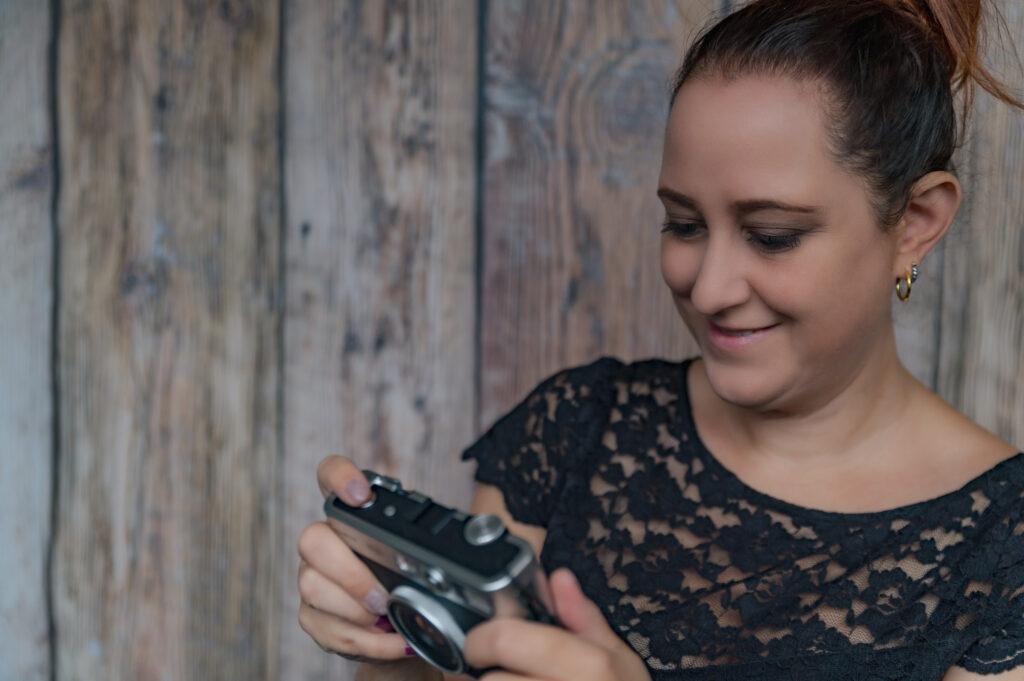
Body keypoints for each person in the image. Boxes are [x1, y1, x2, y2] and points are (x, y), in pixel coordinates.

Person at [296, 0, 1024, 678]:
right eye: (683, 223)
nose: (708, 289)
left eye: (772, 236)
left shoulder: (1004, 548)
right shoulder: (580, 426)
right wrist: (397, 643)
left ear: (917, 224)